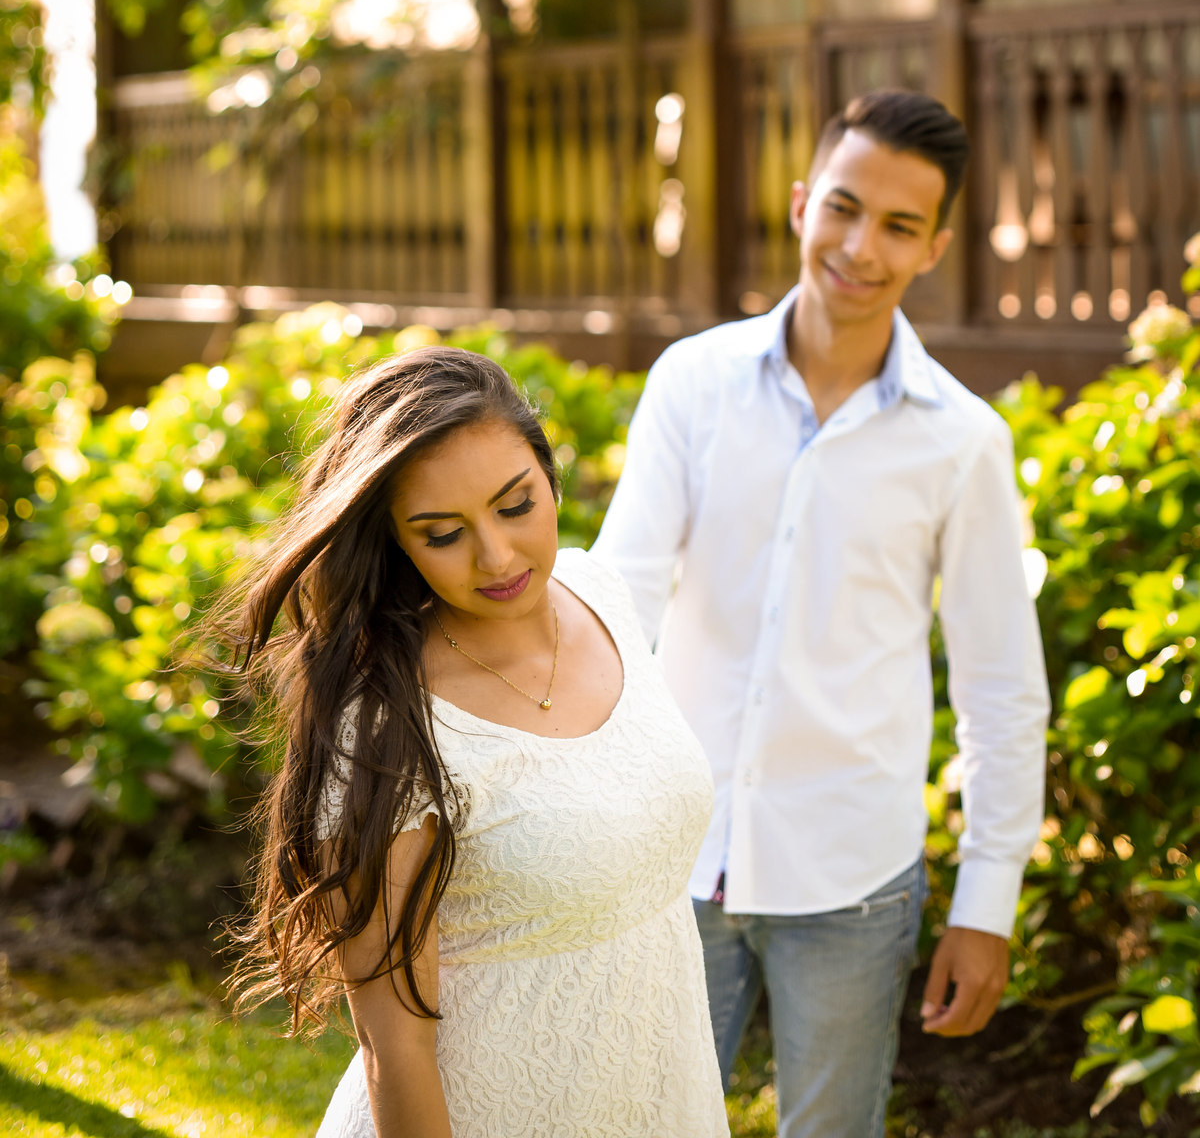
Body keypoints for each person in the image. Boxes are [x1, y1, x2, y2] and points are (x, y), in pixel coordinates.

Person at [593, 88, 1051, 1138]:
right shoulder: (691, 384)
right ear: (803, 203)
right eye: (843, 207)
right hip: (673, 854)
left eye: (898, 226)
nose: (860, 245)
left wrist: (985, 910)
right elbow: (621, 606)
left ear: (935, 246)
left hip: (852, 880)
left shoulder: (963, 444)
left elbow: (998, 690)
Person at [225, 345, 729, 1138]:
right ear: (394, 541)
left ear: (547, 473)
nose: (496, 557)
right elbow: (393, 1043)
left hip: (661, 1098)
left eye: (515, 505)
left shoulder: (602, 593)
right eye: (442, 533)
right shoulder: (387, 723)